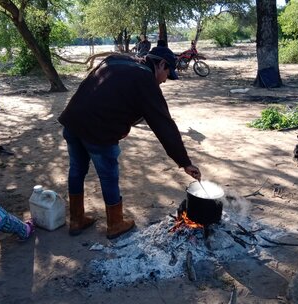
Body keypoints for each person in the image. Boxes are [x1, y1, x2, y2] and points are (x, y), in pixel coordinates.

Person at [59, 46, 201, 239]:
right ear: (160, 64)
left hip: (73, 120)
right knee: (108, 176)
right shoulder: (145, 79)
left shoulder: (118, 60)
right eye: (168, 72)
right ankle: (115, 223)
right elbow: (163, 124)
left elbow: (101, 91)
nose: (166, 79)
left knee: (76, 170)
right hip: (98, 131)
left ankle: (76, 220)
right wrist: (184, 162)